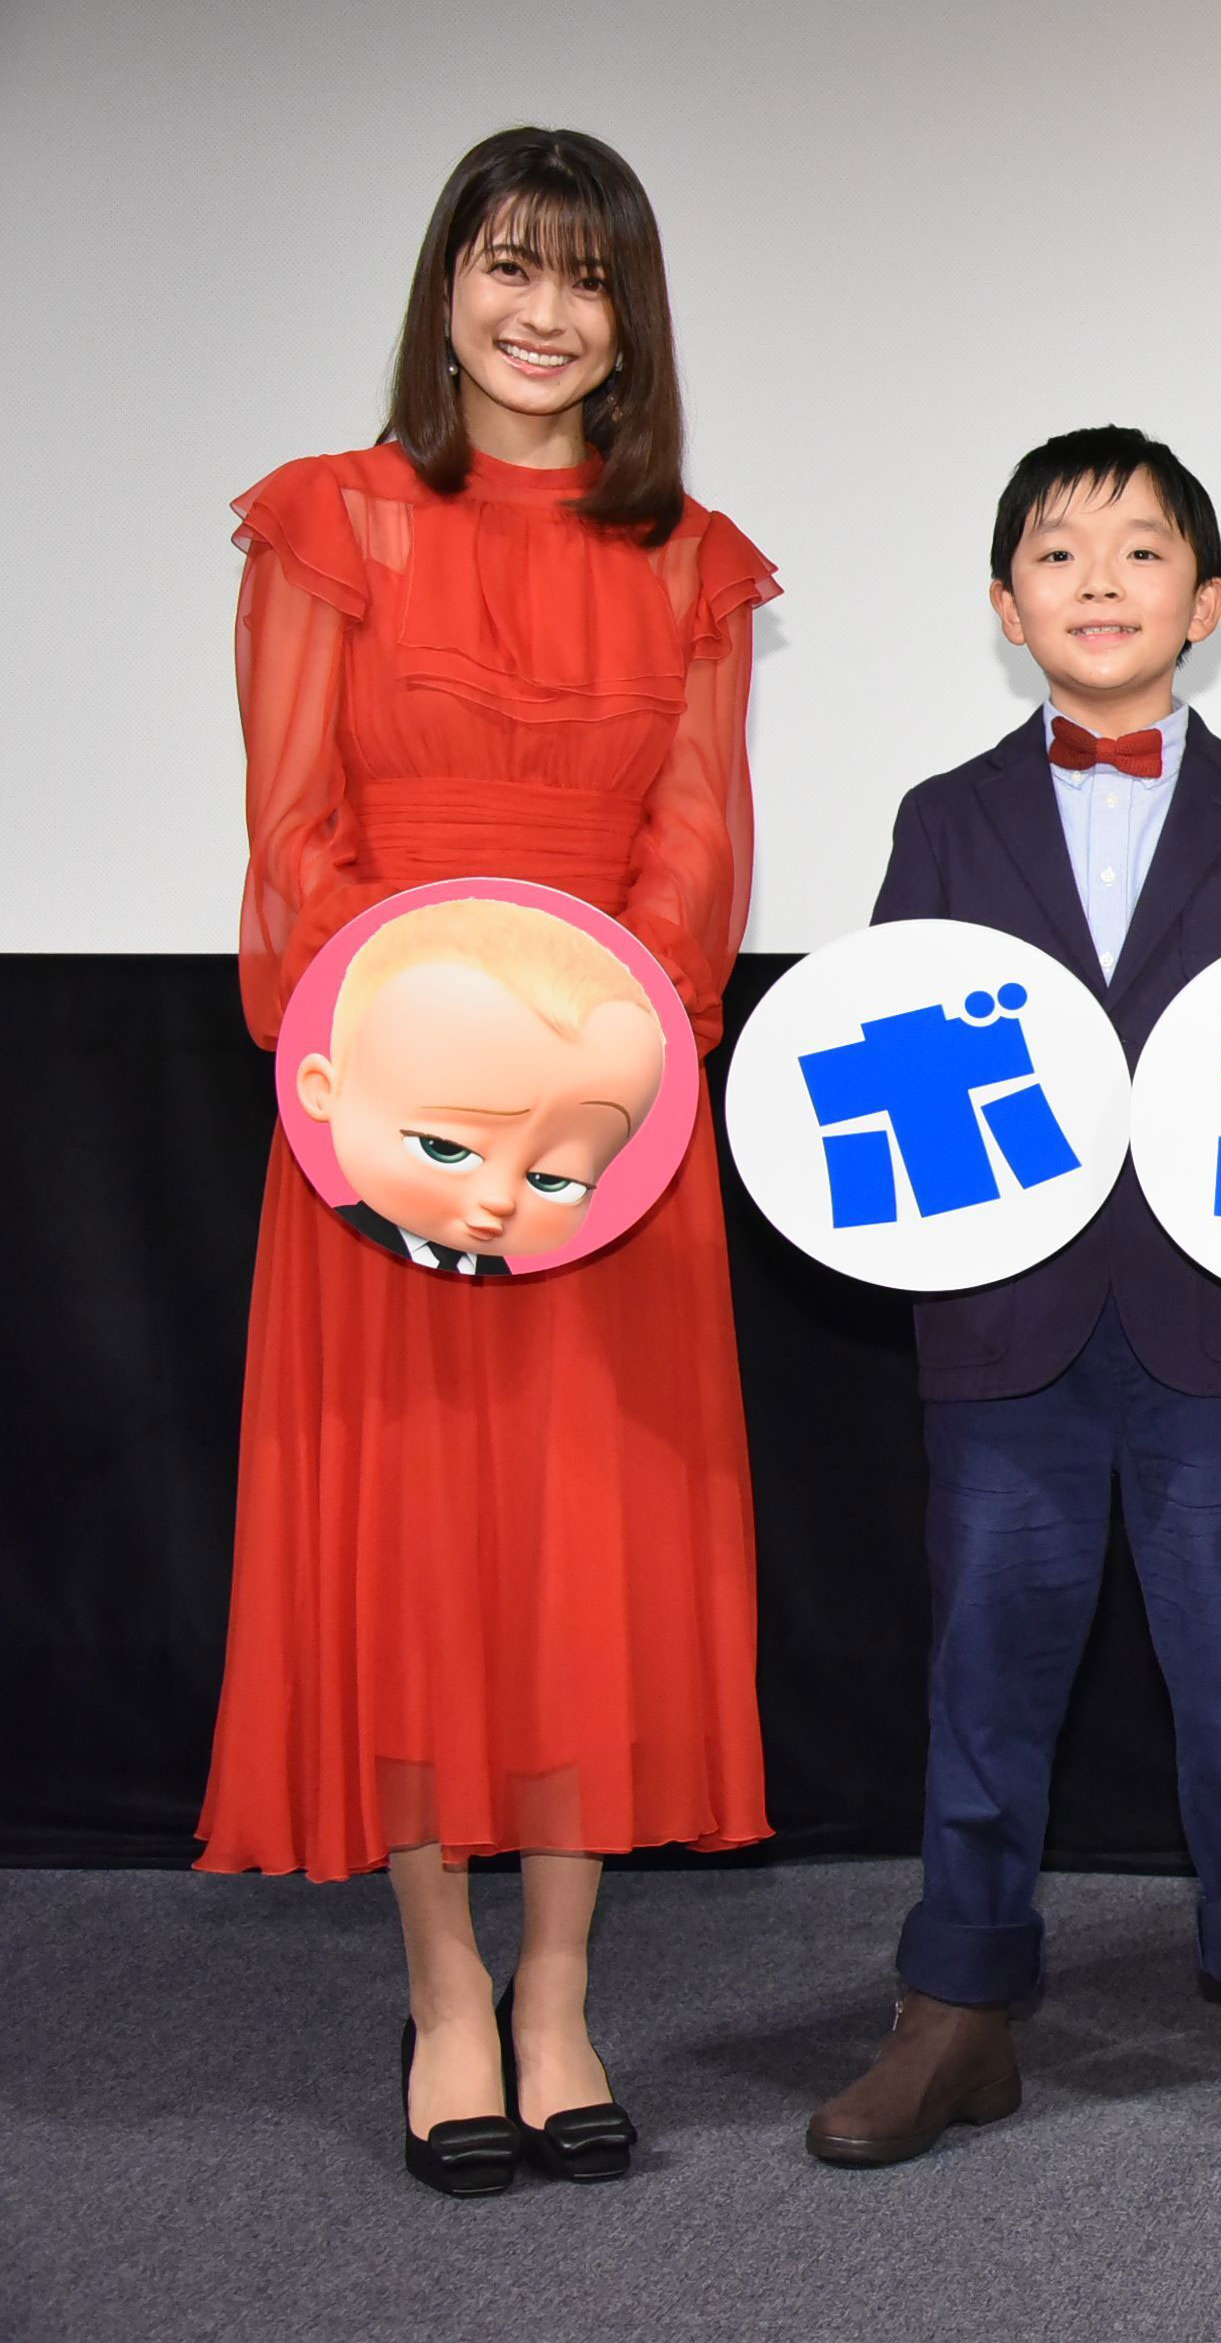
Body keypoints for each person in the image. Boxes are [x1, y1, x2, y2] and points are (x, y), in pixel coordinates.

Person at [203, 126, 776, 2195]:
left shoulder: (695, 561)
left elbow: (695, 851)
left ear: (632, 321)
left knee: (582, 1554)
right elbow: (292, 837)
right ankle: (444, 1989)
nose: (543, 313)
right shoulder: (330, 521)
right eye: (508, 265)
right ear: (446, 290)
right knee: (413, 1550)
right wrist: (424, 1093)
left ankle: (557, 1989)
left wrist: (585, 1102)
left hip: (603, 1143)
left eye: (586, 278)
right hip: (391, 1130)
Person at [804, 427, 1221, 2175]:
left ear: (1205, 605)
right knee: (986, 1678)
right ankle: (956, 2007)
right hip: (1007, 1325)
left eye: (1142, 552)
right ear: (1007, 607)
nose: (1100, 582)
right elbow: (888, 1058)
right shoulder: (945, 817)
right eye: (1058, 554)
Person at [295, 897, 671, 1273]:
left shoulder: (511, 1278)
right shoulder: (321, 1255)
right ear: (325, 1092)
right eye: (445, 1148)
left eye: (553, 1179)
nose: (499, 1200)